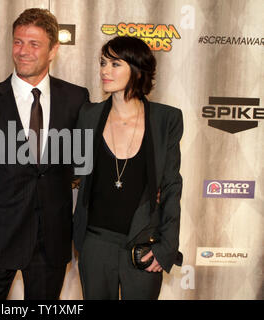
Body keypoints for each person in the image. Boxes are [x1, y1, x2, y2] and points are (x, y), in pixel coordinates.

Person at [0, 8, 89, 300]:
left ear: (53, 49)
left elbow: (86, 165)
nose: (23, 51)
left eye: (34, 44)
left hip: (52, 240)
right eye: (18, 42)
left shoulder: (77, 99)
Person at [73, 36, 183, 300]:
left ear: (137, 69)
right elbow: (72, 169)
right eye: (102, 63)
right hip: (95, 243)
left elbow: (171, 186)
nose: (104, 71)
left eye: (114, 64)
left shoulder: (165, 119)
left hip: (143, 246)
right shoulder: (88, 115)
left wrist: (166, 247)